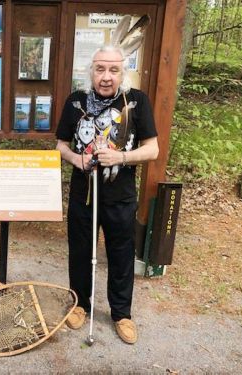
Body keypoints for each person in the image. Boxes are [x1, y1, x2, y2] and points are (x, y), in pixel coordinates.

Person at [55, 46, 159, 344]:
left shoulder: (137, 101)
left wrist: (121, 159)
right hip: (83, 194)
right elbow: (61, 145)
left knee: (121, 254)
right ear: (91, 71)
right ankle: (80, 304)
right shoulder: (76, 101)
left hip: (121, 196)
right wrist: (77, 160)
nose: (106, 76)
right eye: (100, 69)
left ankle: (122, 314)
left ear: (122, 73)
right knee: (80, 251)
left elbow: (153, 149)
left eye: (113, 70)